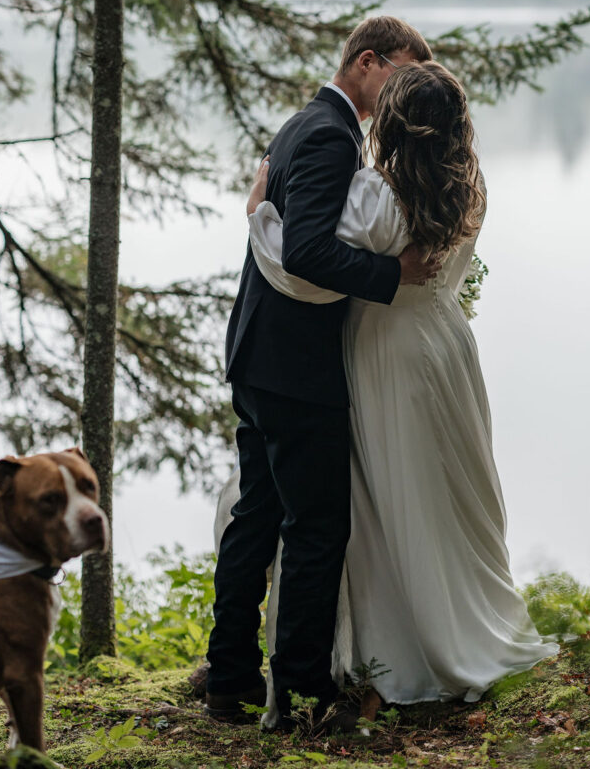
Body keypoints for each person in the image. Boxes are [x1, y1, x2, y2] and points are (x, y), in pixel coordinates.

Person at [243, 60, 558, 724]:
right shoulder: (469, 187)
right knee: (451, 490)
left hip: (382, 350)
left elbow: (306, 272)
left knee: (394, 497)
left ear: (387, 121)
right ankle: (471, 622)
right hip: (446, 344)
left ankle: (409, 649)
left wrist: (258, 219)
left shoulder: (375, 197)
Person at [205, 16, 440, 731]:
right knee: (315, 528)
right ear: (365, 62)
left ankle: (233, 680)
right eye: (400, 70)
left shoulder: (303, 124)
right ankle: (300, 692)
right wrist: (390, 273)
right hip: (294, 365)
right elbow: (305, 251)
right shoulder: (330, 135)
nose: (404, 87)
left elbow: (281, 231)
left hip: (259, 355)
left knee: (258, 517)